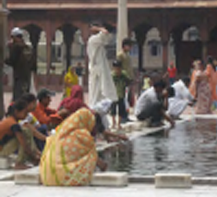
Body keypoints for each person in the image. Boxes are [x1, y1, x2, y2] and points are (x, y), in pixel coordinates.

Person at [40, 108, 108, 186]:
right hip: (62, 177)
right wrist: (102, 165)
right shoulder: (81, 134)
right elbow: (91, 154)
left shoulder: (61, 131)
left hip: (47, 175)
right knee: (91, 154)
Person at [0, 99, 40, 169]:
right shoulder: (13, 124)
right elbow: (24, 144)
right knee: (24, 134)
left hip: (4, 147)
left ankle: (28, 160)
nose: (26, 115)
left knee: (25, 131)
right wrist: (33, 156)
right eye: (25, 113)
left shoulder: (10, 120)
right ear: (17, 112)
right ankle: (19, 163)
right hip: (1, 150)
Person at [87, 22, 117, 106]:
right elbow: (105, 34)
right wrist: (99, 28)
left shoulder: (100, 43)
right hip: (97, 69)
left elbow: (107, 37)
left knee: (101, 93)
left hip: (100, 69)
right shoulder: (93, 40)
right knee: (96, 93)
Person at [5, 27, 34, 101]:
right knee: (25, 95)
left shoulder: (16, 47)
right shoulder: (27, 47)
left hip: (19, 75)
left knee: (18, 97)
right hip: (27, 75)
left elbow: (11, 60)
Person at [117, 38, 135, 121]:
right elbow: (118, 68)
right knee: (122, 99)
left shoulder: (128, 55)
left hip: (129, 79)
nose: (130, 48)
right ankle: (122, 116)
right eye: (129, 46)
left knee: (128, 98)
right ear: (125, 46)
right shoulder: (120, 55)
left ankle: (126, 115)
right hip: (123, 79)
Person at [111, 60, 130, 129]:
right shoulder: (112, 75)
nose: (117, 70)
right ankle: (113, 123)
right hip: (113, 95)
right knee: (113, 110)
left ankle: (119, 123)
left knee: (121, 110)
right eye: (116, 69)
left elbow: (129, 81)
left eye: (119, 69)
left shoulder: (123, 74)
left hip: (121, 94)